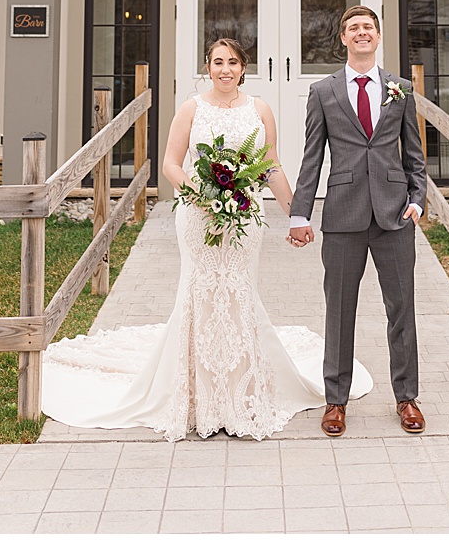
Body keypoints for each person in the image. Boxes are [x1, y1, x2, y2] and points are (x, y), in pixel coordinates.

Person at [41, 37, 372, 439]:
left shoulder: (260, 109)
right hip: (199, 216)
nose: (225, 69)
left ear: (243, 67)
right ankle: (197, 396)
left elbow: (269, 165)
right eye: (217, 62)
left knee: (238, 292)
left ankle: (241, 395)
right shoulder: (191, 108)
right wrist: (201, 194)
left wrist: (296, 214)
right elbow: (170, 164)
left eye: (232, 62)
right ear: (208, 67)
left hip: (244, 217)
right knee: (201, 291)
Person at [288, 3, 427, 437]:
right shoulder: (324, 92)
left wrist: (418, 201)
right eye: (354, 28)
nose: (362, 33)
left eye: (368, 27)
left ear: (378, 36)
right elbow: (312, 158)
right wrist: (299, 213)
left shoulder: (400, 89)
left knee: (401, 309)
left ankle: (407, 398)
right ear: (344, 38)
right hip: (343, 215)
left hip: (394, 215)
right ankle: (336, 401)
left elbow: (414, 156)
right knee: (340, 310)